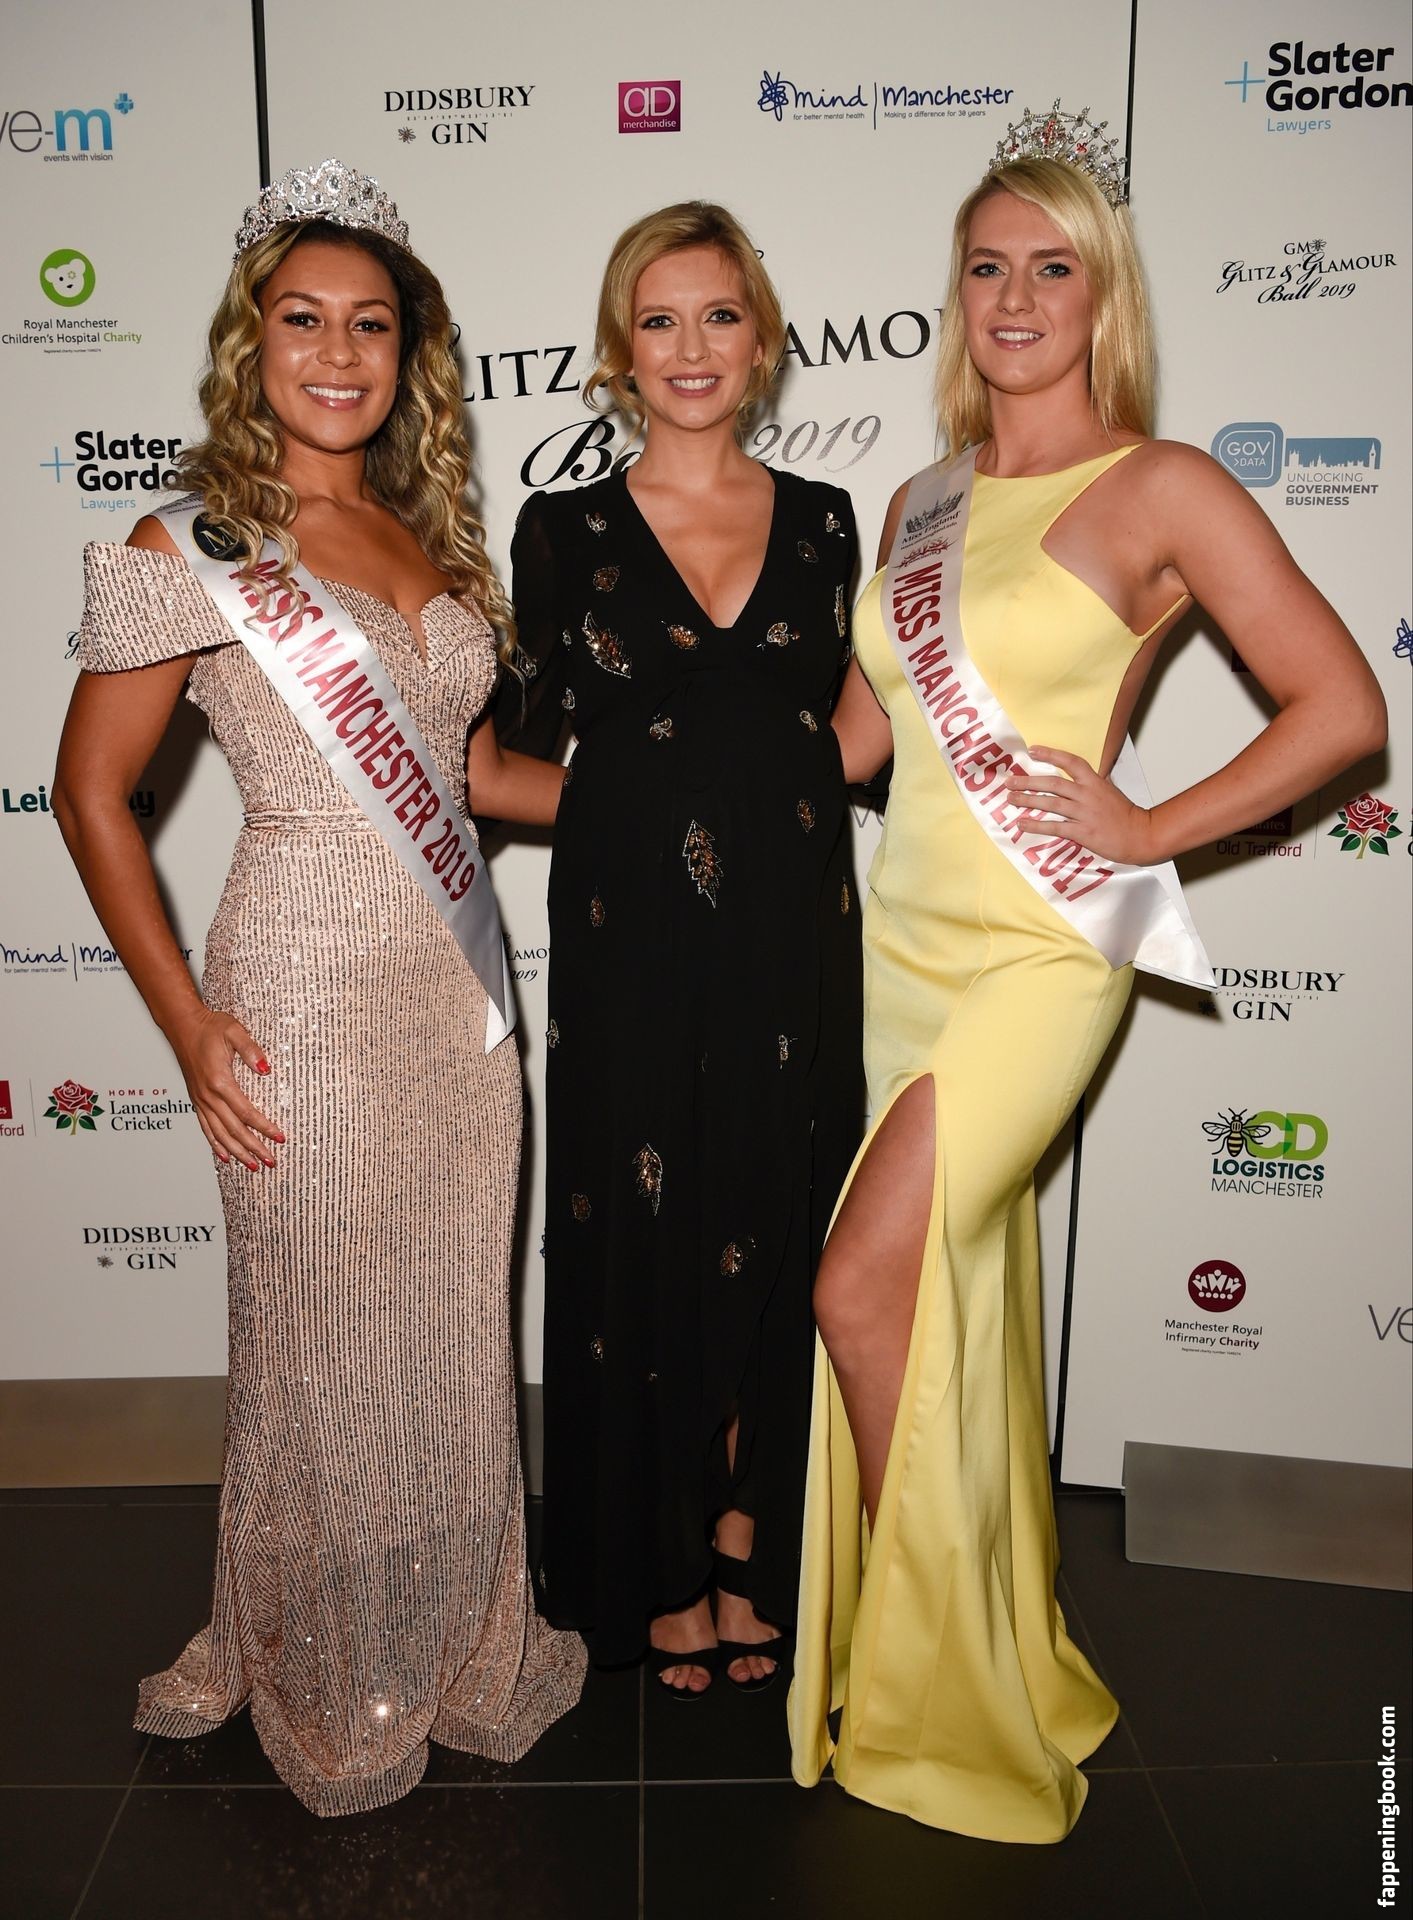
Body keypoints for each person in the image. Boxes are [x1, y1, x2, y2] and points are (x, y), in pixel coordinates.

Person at [788, 109, 1386, 1839]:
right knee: (945, 1304)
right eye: (986, 267)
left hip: (1043, 949)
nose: (1013, 297)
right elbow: (848, 747)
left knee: (857, 1292)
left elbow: (1343, 710)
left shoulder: (1162, 484)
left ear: (1101, 294)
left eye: (1051, 268)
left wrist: (1147, 826)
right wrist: (654, 753)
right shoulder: (916, 503)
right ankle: (989, 1651)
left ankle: (937, 1690)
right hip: (900, 945)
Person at [52, 160, 584, 1817]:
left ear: (404, 352)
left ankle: (445, 1638)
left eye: (369, 324)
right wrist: (188, 1025)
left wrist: (651, 789)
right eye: (304, 320)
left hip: (453, 1001)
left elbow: (471, 773)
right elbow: (90, 795)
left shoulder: (422, 536)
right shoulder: (192, 543)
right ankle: (321, 1662)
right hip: (302, 983)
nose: (337, 354)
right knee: (318, 1349)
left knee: (443, 1340)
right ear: (253, 340)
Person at [500, 202, 862, 1695]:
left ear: (761, 340)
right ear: (618, 349)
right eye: (659, 320)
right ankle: (650, 1559)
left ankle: (744, 1541)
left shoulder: (831, 520)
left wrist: (752, 810)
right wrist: (651, 816)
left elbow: (854, 735)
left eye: (719, 315)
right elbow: (499, 760)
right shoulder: (562, 532)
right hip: (629, 944)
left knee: (777, 1223)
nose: (691, 347)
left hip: (791, 939)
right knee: (642, 1235)